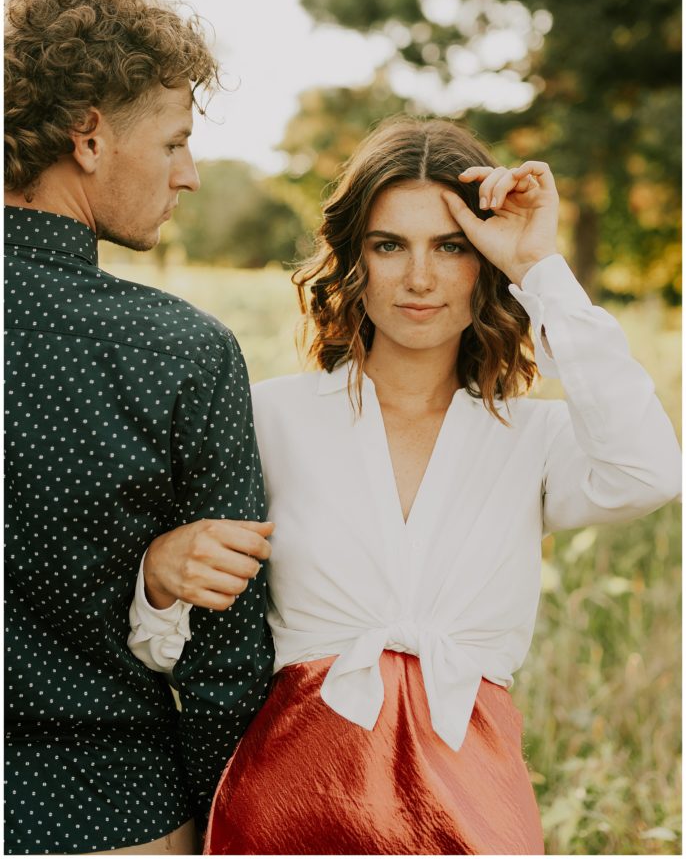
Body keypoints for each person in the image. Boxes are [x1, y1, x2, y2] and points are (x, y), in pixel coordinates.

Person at [130, 118, 681, 855]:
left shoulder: (534, 438)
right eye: (390, 245)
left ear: (483, 263)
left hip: (475, 802)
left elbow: (649, 471)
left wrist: (539, 267)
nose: (419, 278)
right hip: (294, 800)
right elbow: (169, 645)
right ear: (354, 258)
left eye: (450, 246)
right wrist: (159, 578)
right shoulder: (269, 416)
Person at [4, 0, 275, 856]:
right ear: (88, 138)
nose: (189, 175)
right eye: (173, 142)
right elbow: (228, 662)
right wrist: (214, 820)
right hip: (113, 812)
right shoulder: (180, 352)